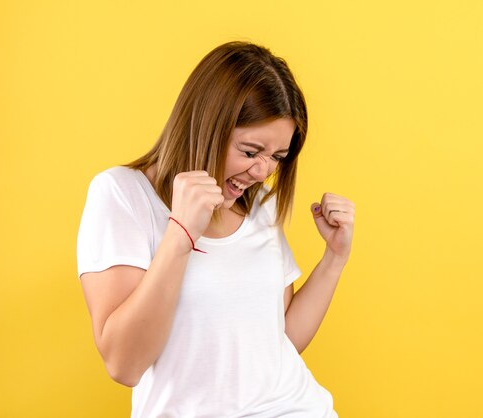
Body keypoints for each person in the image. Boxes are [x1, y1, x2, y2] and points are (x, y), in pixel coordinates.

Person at [77, 41, 355, 417]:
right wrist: (181, 233)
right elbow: (124, 366)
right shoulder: (123, 194)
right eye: (250, 150)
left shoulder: (259, 204)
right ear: (205, 126)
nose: (262, 172)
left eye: (277, 157)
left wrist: (334, 258)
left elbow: (278, 340)